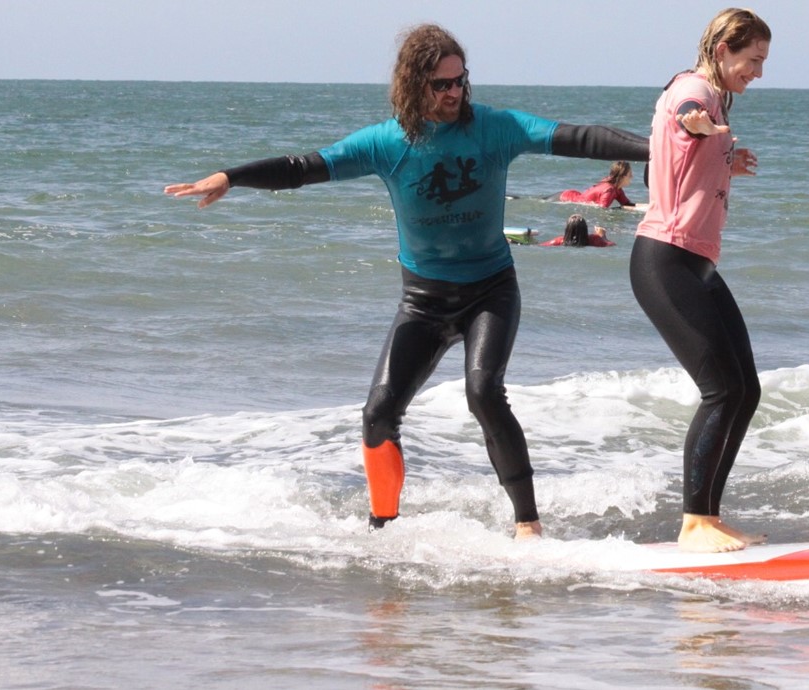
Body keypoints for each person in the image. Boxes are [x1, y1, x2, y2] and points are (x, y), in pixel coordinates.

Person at [163, 24, 647, 538]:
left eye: (460, 80)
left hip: (490, 289)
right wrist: (232, 176)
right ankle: (384, 530)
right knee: (378, 413)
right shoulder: (385, 143)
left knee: (484, 393)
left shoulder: (495, 128)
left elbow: (578, 137)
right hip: (423, 301)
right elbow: (304, 168)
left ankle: (528, 524)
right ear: (414, 84)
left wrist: (655, 147)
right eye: (441, 84)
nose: (454, 93)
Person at [629, 8, 770, 553]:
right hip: (665, 258)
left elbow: (671, 162)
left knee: (746, 389)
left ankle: (709, 515)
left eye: (762, 61)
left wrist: (723, 160)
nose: (757, 71)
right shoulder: (696, 91)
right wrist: (702, 125)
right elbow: (688, 114)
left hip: (694, 263)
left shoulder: (709, 96)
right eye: (752, 59)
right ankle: (693, 523)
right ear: (722, 51)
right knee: (721, 389)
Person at [557, 160, 637, 208]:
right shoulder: (609, 190)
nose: (632, 176)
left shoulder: (617, 189)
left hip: (570, 195)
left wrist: (646, 208)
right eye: (630, 175)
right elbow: (601, 210)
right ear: (622, 176)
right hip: (564, 198)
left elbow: (626, 204)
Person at [539, 214, 615, 247]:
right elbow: (611, 244)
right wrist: (603, 235)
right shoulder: (594, 239)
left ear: (567, 229)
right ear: (585, 228)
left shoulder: (560, 241)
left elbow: (541, 245)